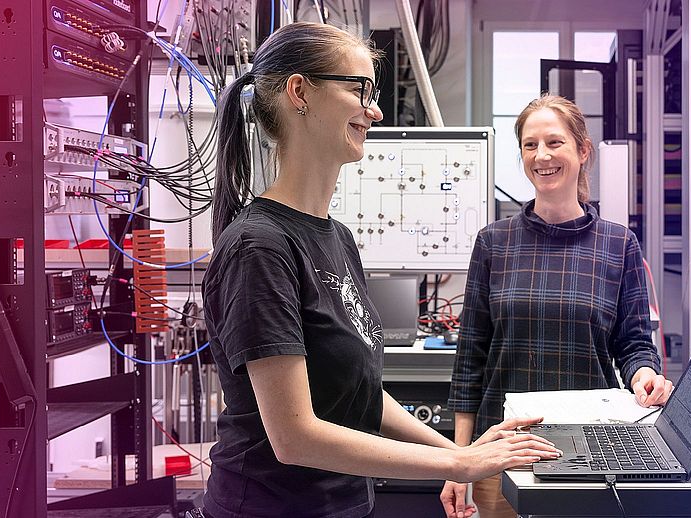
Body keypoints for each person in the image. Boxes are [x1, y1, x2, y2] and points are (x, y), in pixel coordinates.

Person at [203, 23, 560, 518]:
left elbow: (362, 397)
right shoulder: (258, 248)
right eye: (360, 89)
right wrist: (457, 466)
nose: (376, 110)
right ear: (299, 92)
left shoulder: (336, 237)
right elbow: (295, 437)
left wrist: (456, 453)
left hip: (342, 505)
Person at [439, 94, 675, 518]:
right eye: (530, 145)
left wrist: (645, 376)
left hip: (592, 451)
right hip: (503, 452)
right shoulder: (493, 243)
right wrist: (460, 461)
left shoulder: (619, 244)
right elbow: (470, 357)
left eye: (554, 142)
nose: (541, 156)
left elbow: (635, 343)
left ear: (583, 151)